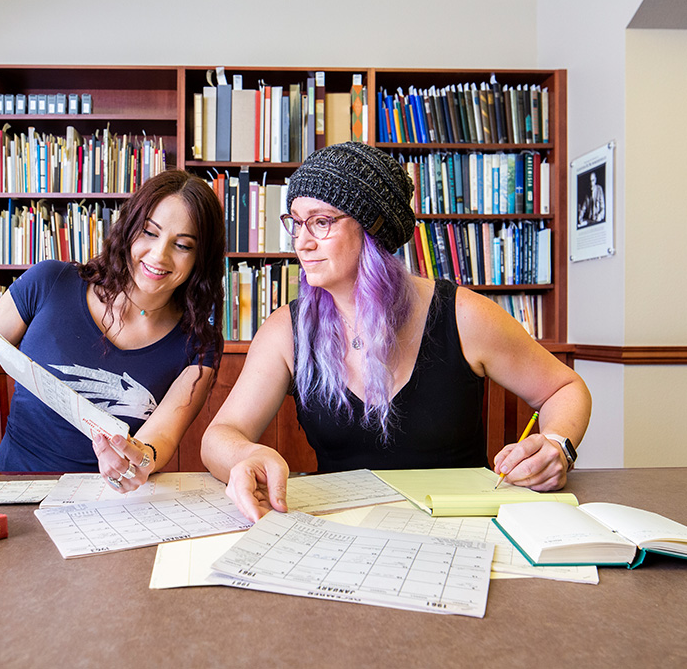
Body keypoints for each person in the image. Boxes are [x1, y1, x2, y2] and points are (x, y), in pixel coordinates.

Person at [201, 142, 591, 522]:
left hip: (460, 527)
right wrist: (244, 456)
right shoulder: (287, 330)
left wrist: (558, 445)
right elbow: (221, 434)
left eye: (321, 222)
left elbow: (564, 388)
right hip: (341, 532)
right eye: (296, 223)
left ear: (374, 227)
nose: (302, 242)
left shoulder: (463, 314)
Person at [0, 169, 226, 493]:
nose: (159, 254)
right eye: (149, 232)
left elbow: (161, 435)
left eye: (182, 245)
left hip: (111, 504)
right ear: (129, 228)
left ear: (201, 259)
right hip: (14, 490)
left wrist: (137, 459)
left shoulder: (199, 342)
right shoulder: (49, 283)